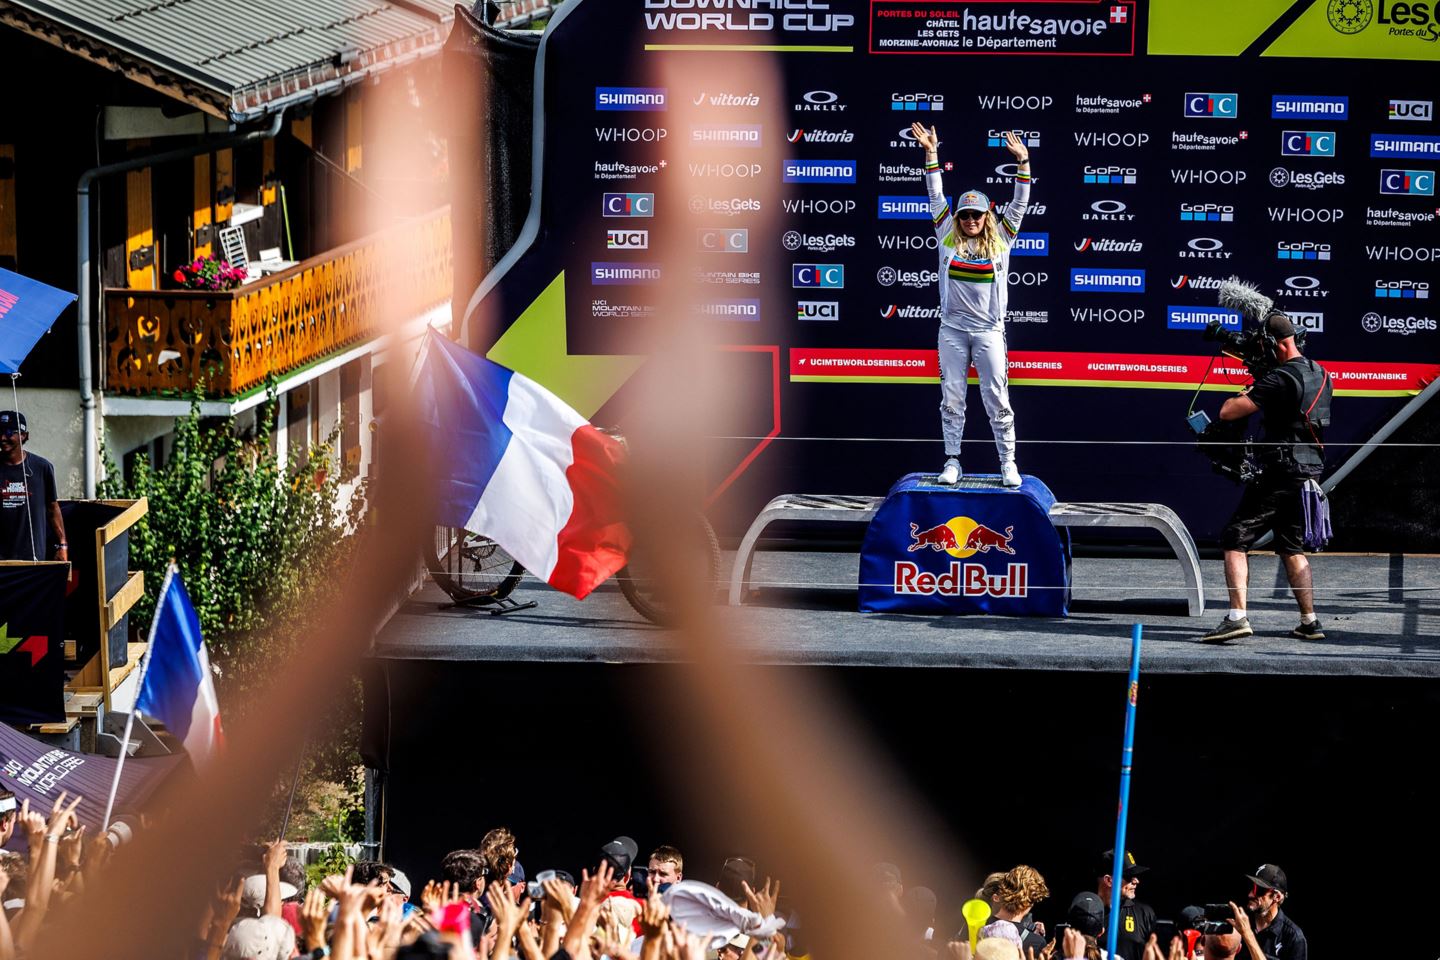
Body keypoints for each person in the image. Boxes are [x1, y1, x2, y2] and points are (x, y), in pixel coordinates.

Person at [909, 125, 1032, 488]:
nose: (970, 220)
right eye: (965, 214)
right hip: (952, 329)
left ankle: (1008, 462)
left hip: (989, 331)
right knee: (952, 397)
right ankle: (952, 461)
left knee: (997, 397)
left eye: (976, 215)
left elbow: (1021, 202)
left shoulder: (1003, 239)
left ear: (986, 215)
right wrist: (931, 153)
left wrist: (1023, 160)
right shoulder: (946, 232)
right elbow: (935, 194)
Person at [1200, 306, 1332, 644]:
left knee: (1235, 537)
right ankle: (1310, 621)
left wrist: (1253, 387)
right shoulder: (1321, 372)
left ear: (1276, 345)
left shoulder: (1278, 379)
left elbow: (1228, 411)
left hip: (1282, 470)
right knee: (1291, 546)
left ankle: (1237, 617)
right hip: (1309, 472)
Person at [0, 410, 66, 562]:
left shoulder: (42, 468)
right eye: (0, 432)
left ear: (24, 436)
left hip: (32, 561)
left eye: (9, 432)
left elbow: (52, 508)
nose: (3, 437)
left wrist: (62, 545)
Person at [1095, 850, 1153, 960]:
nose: (1136, 881)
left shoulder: (1145, 913)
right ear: (1108, 880)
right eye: (1129, 876)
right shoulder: (1087, 911)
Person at [1241, 864, 1306, 960]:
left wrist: (1247, 934)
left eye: (1259, 890)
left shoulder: (1293, 938)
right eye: (1251, 887)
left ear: (1277, 897)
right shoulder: (1241, 920)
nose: (1250, 894)